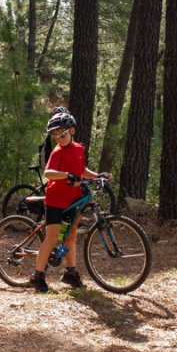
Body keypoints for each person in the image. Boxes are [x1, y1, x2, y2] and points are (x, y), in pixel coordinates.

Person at [29, 112, 112, 292]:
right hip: (55, 200)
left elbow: (81, 170)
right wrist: (66, 175)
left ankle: (70, 273)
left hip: (73, 199)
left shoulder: (79, 149)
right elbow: (49, 173)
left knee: (71, 236)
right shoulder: (58, 152)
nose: (59, 138)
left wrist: (98, 175)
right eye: (55, 135)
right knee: (52, 238)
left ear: (72, 130)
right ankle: (38, 275)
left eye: (62, 134)